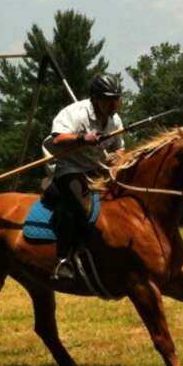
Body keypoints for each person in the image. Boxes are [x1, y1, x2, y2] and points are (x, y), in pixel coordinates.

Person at [41, 73, 124, 280]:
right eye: (108, 99)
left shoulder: (115, 120)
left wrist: (117, 156)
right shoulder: (75, 113)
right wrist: (82, 138)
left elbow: (120, 147)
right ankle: (63, 260)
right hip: (68, 167)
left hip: (96, 168)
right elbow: (57, 139)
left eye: (116, 99)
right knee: (80, 206)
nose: (114, 104)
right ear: (95, 98)